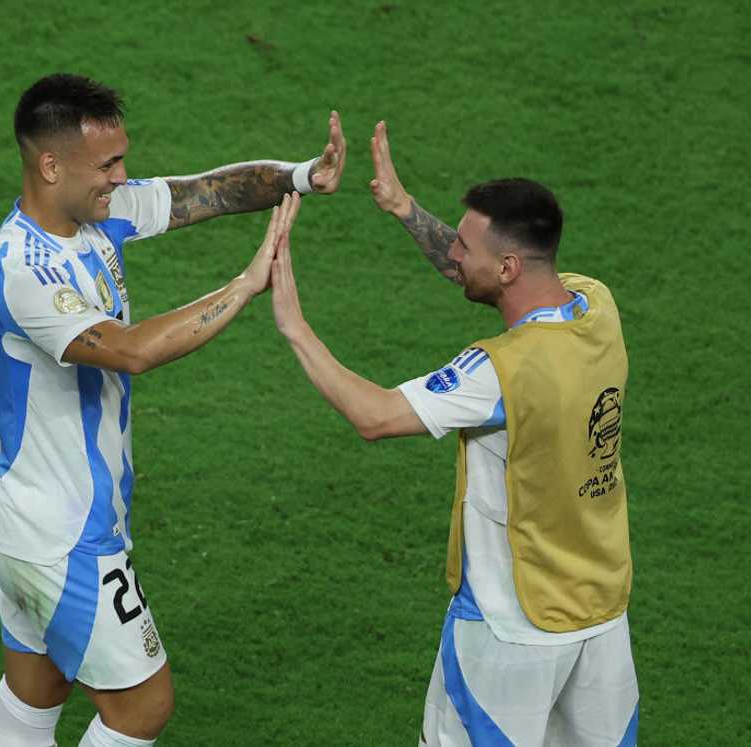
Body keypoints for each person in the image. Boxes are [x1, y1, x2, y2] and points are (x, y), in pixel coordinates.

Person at [0, 72, 336, 747]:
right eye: (107, 163)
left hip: (19, 513)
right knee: (143, 706)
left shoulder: (98, 213)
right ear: (50, 165)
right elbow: (132, 350)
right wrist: (246, 283)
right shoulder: (21, 272)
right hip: (62, 535)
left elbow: (211, 191)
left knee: (36, 688)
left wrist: (303, 175)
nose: (122, 175)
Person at [267, 121, 639, 746]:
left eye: (467, 247)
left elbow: (376, 415)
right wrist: (404, 209)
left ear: (511, 264)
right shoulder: (594, 305)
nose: (455, 256)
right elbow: (493, 279)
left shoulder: (499, 370)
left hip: (511, 627)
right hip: (601, 619)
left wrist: (294, 326)